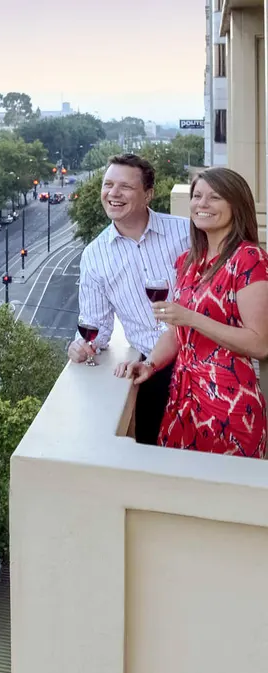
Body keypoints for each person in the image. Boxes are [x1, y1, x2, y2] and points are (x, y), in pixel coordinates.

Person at [118, 167, 268, 458]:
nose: (202, 204)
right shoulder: (187, 262)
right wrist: (150, 364)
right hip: (181, 399)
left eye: (215, 197)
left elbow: (259, 343)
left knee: (222, 497)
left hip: (228, 402)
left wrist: (191, 318)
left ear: (236, 205)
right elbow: (176, 333)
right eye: (197, 196)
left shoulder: (250, 258)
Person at [72, 154, 190, 444]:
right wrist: (81, 346)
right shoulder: (95, 255)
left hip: (205, 361)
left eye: (125, 186)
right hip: (153, 371)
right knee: (156, 460)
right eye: (108, 184)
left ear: (148, 194)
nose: (113, 193)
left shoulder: (186, 233)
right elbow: (95, 328)